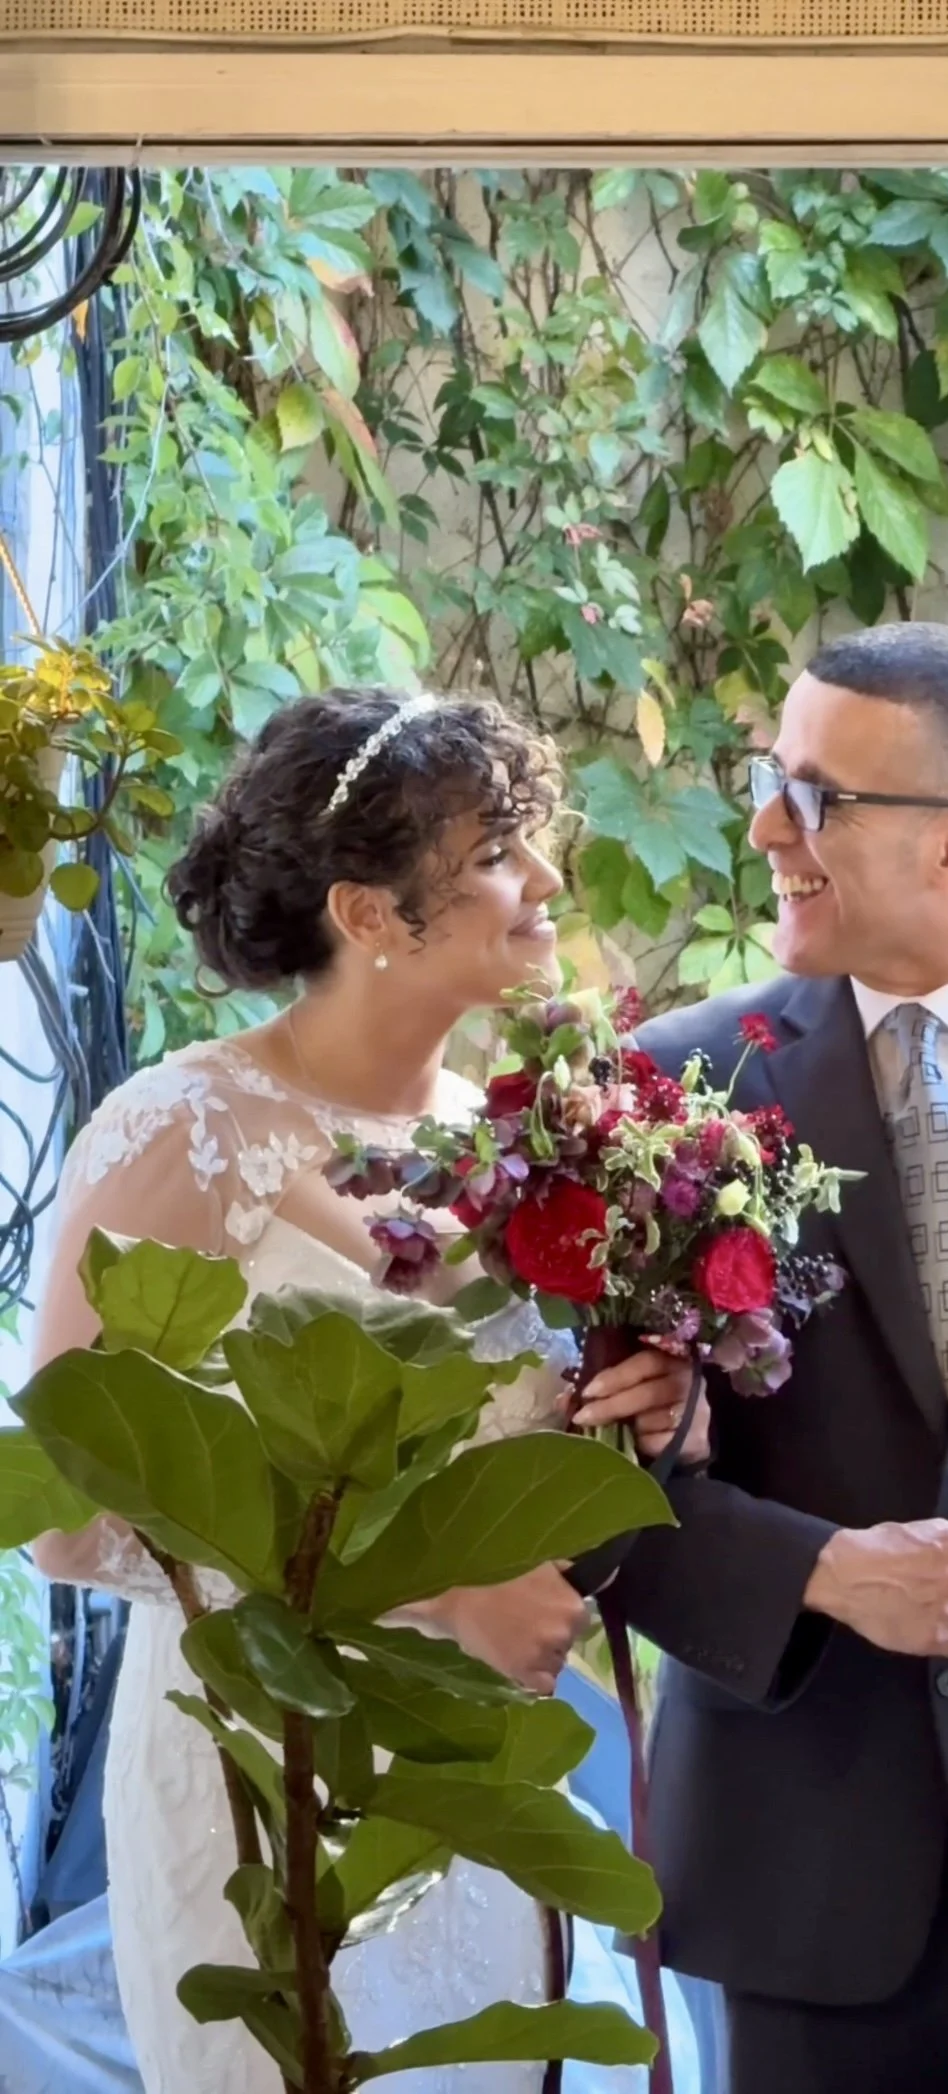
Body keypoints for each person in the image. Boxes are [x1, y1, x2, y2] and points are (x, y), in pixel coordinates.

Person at [30, 688, 704, 2094]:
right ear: (371, 914)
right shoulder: (183, 1126)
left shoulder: (513, 1139)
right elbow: (72, 1510)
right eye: (499, 858)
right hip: (266, 1772)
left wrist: (651, 1415)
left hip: (482, 1768)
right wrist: (430, 1592)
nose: (547, 887)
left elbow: (524, 1445)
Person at [579, 622, 948, 2094]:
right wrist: (826, 1570)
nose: (767, 826)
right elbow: (583, 1502)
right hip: (800, 1871)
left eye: (817, 795)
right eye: (772, 779)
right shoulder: (670, 1088)